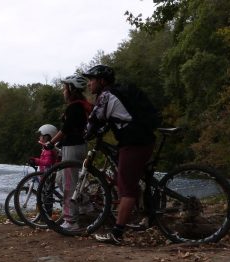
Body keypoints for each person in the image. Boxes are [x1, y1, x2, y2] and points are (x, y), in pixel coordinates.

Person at [83, 64, 156, 245]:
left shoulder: (106, 96)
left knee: (126, 189)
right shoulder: (116, 93)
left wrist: (84, 135)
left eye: (91, 80)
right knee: (129, 180)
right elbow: (113, 119)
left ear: (101, 81)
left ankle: (117, 233)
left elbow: (93, 121)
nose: (89, 84)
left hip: (134, 144)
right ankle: (146, 216)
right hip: (141, 140)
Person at [44, 74, 92, 231]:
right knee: (62, 179)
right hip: (79, 146)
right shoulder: (82, 105)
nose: (63, 91)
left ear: (71, 89)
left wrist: (51, 142)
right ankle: (86, 207)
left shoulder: (74, 107)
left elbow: (65, 130)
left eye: (65, 88)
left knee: (69, 185)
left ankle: (71, 221)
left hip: (72, 147)